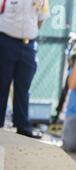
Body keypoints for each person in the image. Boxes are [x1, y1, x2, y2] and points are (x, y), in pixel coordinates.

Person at [0, 0, 49, 138]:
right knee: (2, 84)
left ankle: (23, 127)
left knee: (23, 87)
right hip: (5, 41)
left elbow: (41, 19)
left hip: (28, 45)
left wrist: (29, 34)